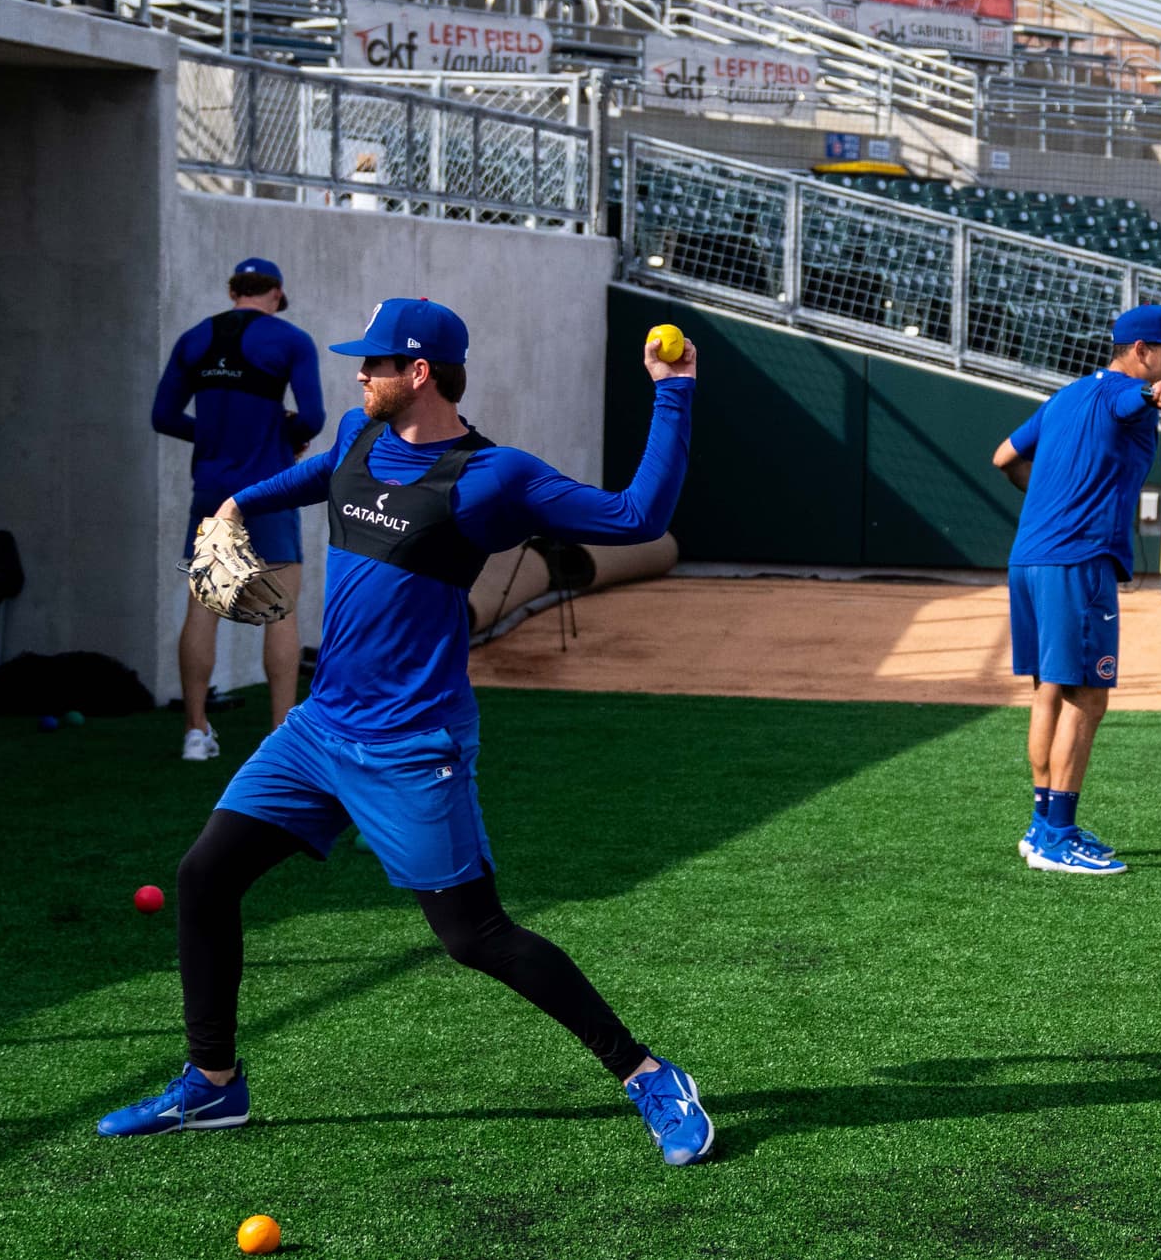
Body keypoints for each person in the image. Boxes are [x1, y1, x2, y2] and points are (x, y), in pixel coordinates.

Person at [96, 298, 715, 1164]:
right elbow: (322, 476)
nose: (359, 373)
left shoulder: (493, 478)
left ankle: (647, 1073)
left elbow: (636, 520)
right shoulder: (357, 431)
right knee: (203, 877)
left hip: (410, 743)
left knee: (474, 937)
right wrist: (238, 502)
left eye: (375, 363)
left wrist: (674, 392)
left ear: (418, 374)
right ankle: (212, 1083)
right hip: (319, 730)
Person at [991, 302, 1161, 875]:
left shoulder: (1066, 396)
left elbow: (1004, 457)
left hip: (1029, 559)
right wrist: (1157, 398)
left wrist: (1043, 499)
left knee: (1049, 691)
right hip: (1078, 563)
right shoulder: (1127, 395)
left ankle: (1042, 827)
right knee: (1088, 697)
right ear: (1140, 351)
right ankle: (1057, 836)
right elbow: (1132, 399)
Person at [150, 255, 325, 761]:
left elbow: (163, 415)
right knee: (280, 613)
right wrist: (283, 436)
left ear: (234, 292)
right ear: (275, 295)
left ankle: (195, 733)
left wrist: (209, 435)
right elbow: (312, 417)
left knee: (203, 611)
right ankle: (280, 738)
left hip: (212, 493)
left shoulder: (193, 339)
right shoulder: (290, 340)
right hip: (269, 489)